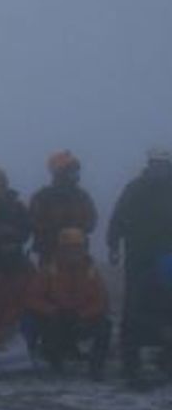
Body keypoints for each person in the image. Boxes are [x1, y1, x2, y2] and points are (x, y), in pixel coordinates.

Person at [106, 148, 172, 381]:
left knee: (168, 303)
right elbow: (119, 215)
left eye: (163, 165)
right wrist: (113, 244)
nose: (159, 169)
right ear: (149, 164)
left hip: (168, 256)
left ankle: (167, 357)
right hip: (138, 256)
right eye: (155, 164)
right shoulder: (135, 188)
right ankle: (130, 361)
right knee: (133, 306)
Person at [26, 227, 110, 379]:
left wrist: (82, 315)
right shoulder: (48, 270)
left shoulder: (91, 272)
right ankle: (54, 361)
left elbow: (100, 301)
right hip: (56, 318)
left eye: (77, 247)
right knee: (42, 323)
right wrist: (52, 311)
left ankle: (96, 367)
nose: (73, 252)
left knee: (105, 325)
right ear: (60, 249)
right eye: (68, 248)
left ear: (84, 248)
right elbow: (33, 298)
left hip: (81, 318)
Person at [29, 151, 97, 263]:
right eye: (71, 170)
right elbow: (33, 222)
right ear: (59, 172)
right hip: (50, 253)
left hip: (78, 252)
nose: (75, 174)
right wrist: (57, 234)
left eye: (75, 170)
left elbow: (92, 220)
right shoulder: (42, 196)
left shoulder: (82, 196)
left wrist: (76, 232)